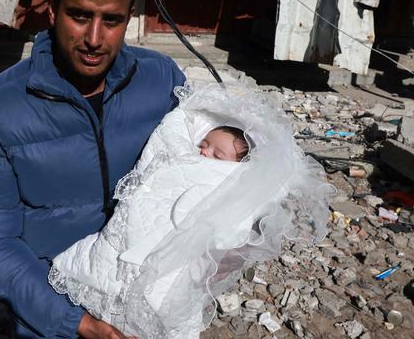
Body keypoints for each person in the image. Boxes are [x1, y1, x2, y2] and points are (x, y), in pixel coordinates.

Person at [0, 0, 186, 339]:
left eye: (111, 20)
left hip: (152, 303)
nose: (94, 38)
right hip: (52, 310)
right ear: (53, 12)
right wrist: (73, 322)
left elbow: (203, 171)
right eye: (80, 16)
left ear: (128, 19)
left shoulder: (161, 81)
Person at [49, 83, 333, 339]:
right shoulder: (181, 156)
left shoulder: (234, 186)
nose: (204, 153)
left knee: (166, 297)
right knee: (107, 263)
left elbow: (229, 235)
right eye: (204, 144)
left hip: (175, 262)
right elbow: (172, 134)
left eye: (217, 155)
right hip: (131, 233)